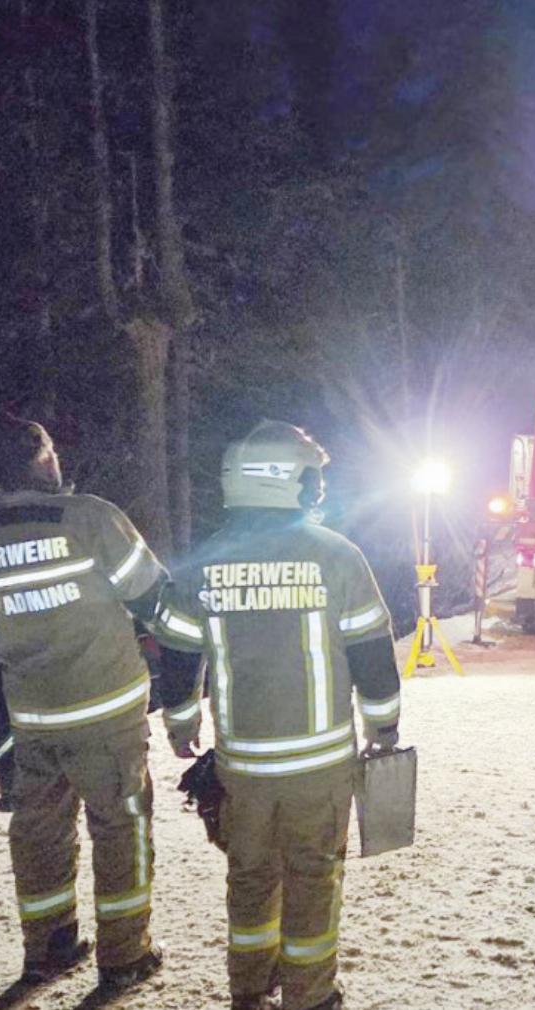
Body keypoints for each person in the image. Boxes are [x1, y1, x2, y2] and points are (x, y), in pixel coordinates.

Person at [152, 420, 402, 1010]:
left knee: (250, 877)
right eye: (314, 478)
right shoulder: (338, 557)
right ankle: (310, 997)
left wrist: (182, 726)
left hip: (243, 768)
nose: (320, 490)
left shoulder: (204, 563)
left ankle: (248, 990)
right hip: (319, 767)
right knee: (313, 880)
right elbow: (372, 653)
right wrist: (384, 726)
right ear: (289, 481)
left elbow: (179, 659)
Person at [0, 416, 170, 990]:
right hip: (104, 708)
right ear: (37, 459)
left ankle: (49, 949)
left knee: (40, 833)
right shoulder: (89, 518)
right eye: (48, 449)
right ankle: (125, 954)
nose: (56, 459)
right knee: (121, 827)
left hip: (31, 716)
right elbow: (152, 594)